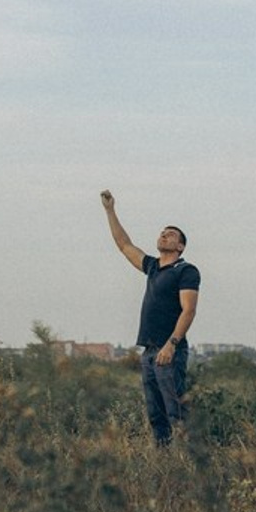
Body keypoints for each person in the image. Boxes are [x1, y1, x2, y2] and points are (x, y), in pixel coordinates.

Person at [100, 189, 200, 445]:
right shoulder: (154, 267)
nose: (164, 235)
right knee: (156, 414)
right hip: (149, 351)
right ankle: (164, 461)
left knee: (175, 410)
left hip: (170, 351)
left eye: (171, 234)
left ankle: (187, 460)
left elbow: (188, 310)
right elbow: (124, 245)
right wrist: (110, 211)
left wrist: (172, 344)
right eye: (162, 232)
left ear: (180, 246)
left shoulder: (185, 271)